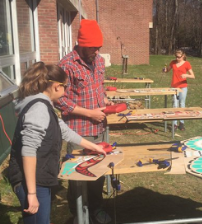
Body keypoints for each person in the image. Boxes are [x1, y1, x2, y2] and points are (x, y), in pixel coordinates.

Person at [8, 62, 106, 224]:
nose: (66, 91)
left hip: (39, 178)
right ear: (56, 87)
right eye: (66, 86)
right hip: (32, 182)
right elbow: (29, 150)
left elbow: (64, 130)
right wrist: (31, 194)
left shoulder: (44, 106)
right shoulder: (39, 108)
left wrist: (94, 147)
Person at [55, 19, 112, 224]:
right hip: (78, 130)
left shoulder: (99, 61)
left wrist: (104, 100)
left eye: (99, 47)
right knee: (79, 174)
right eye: (92, 47)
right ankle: (78, 212)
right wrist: (89, 113)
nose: (96, 51)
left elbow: (98, 86)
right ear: (80, 43)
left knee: (97, 170)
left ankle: (96, 208)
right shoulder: (66, 65)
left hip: (100, 126)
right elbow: (59, 99)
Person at [163, 49, 195, 131]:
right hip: (174, 87)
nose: (177, 58)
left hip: (183, 87)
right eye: (176, 57)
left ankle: (181, 123)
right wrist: (164, 70)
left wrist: (186, 75)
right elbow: (167, 70)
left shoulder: (186, 64)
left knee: (182, 103)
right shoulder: (173, 62)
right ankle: (174, 124)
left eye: (178, 57)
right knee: (174, 105)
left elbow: (193, 76)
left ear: (183, 56)